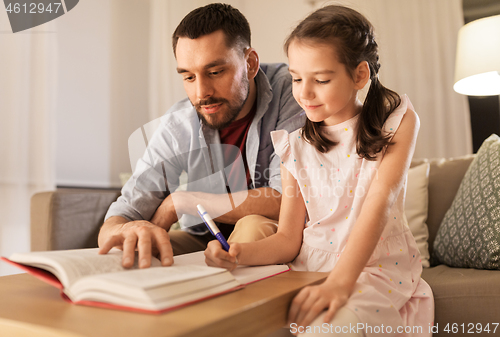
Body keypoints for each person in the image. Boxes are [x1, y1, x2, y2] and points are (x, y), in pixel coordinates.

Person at [205, 5, 434, 336]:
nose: (304, 93)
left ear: (359, 75)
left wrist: (340, 284)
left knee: (332, 329)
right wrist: (237, 254)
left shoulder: (396, 121)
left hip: (372, 267)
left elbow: (380, 201)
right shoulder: (294, 146)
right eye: (296, 78)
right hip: (309, 267)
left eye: (321, 80)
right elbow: (287, 240)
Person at [98, 3, 304, 269]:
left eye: (215, 72)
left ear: (250, 63)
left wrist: (184, 201)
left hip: (273, 236)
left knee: (251, 226)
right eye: (188, 77)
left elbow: (286, 198)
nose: (201, 92)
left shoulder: (295, 91)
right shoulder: (178, 123)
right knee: (132, 250)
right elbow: (124, 211)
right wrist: (125, 230)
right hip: (203, 238)